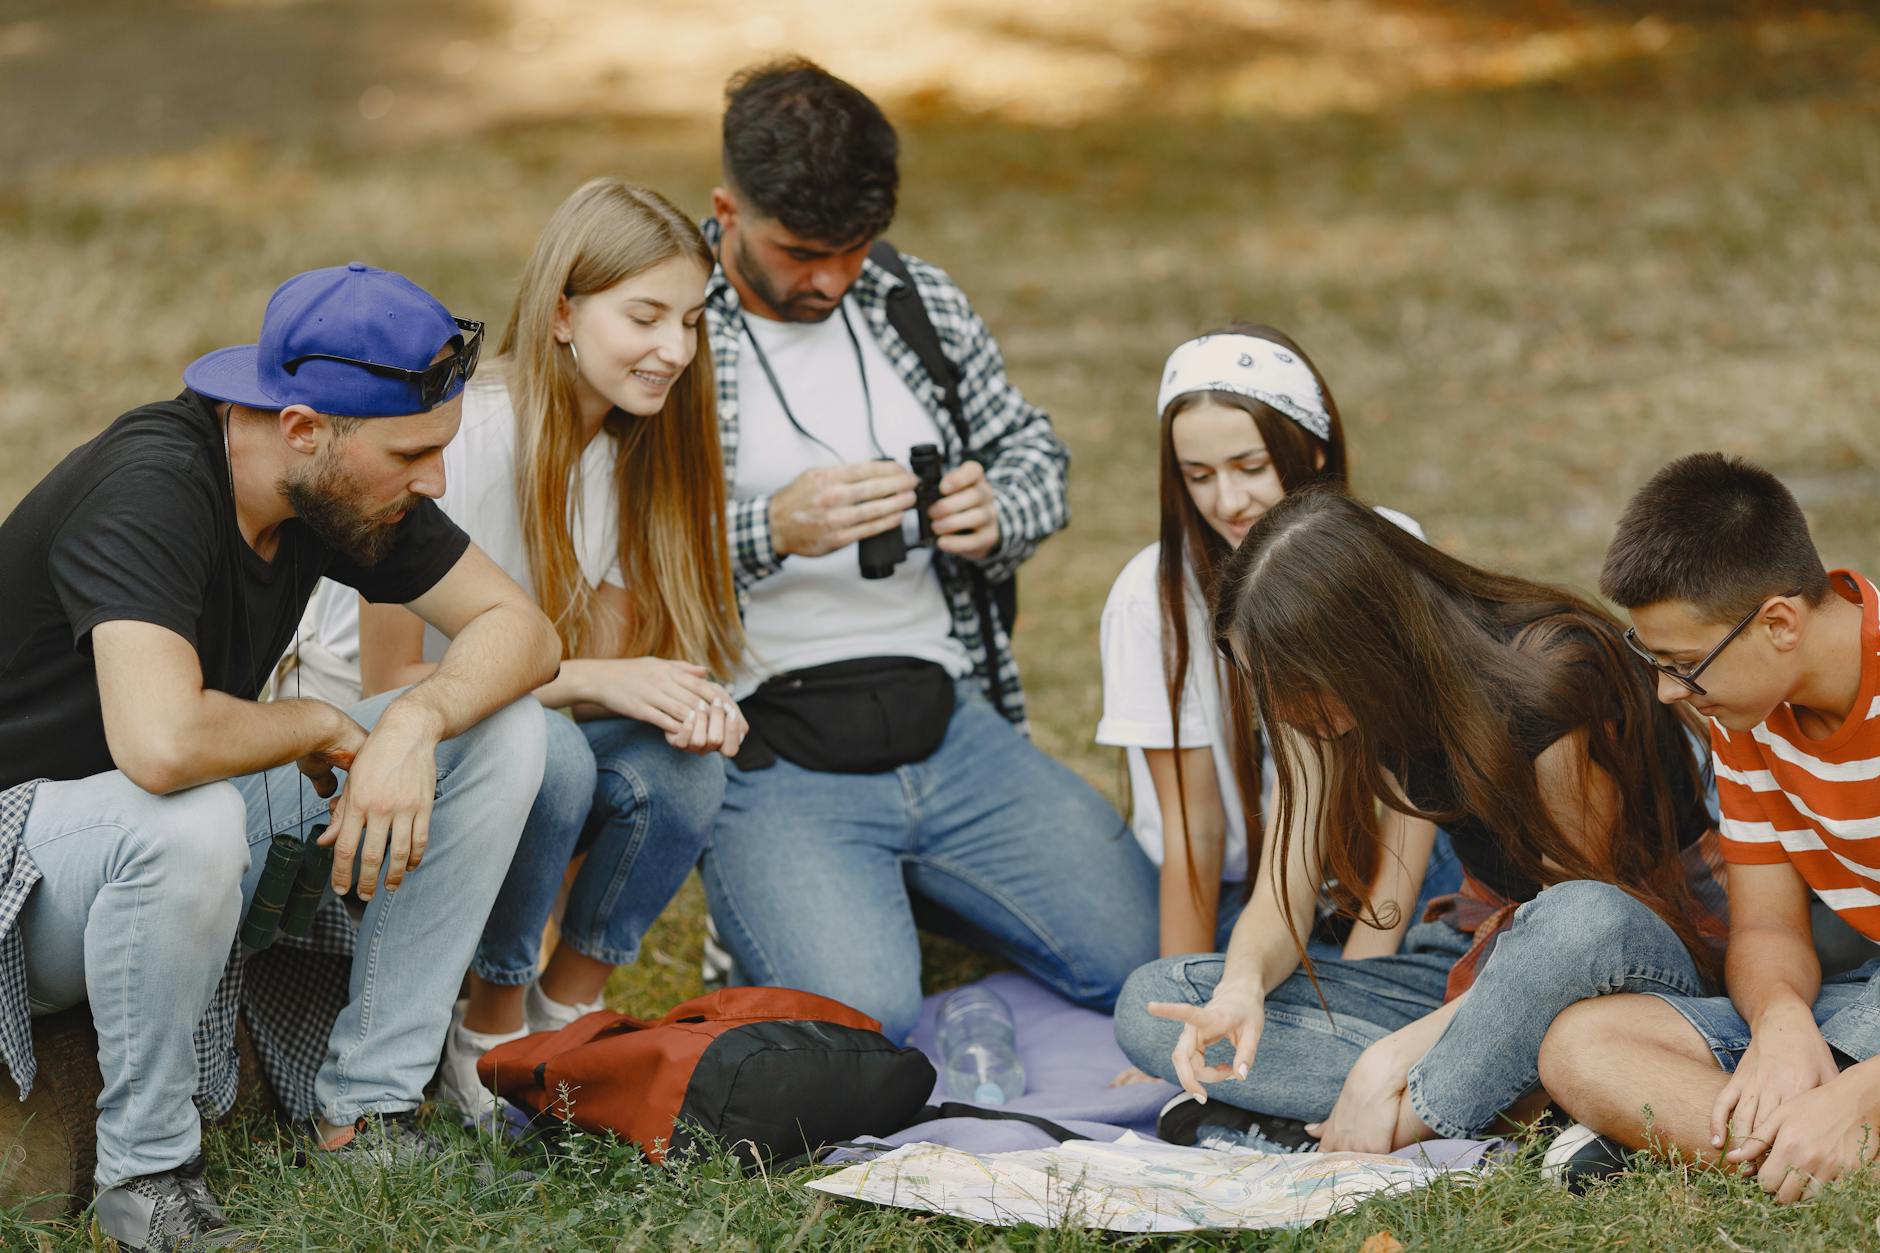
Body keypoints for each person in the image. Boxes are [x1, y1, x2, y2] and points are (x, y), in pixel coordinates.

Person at [0, 263, 562, 1251]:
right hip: (23, 862)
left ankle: (368, 1113)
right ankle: (148, 1175)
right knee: (193, 809)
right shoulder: (152, 486)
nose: (433, 479)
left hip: (149, 831)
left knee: (505, 727)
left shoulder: (331, 487)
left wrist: (412, 721)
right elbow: (164, 742)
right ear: (303, 427)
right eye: (412, 454)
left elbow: (523, 632)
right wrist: (316, 721)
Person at [696, 57, 1157, 1044]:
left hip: (949, 722)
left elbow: (1036, 451)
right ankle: (809, 887)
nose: (828, 278)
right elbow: (597, 550)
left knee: (1140, 953)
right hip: (764, 742)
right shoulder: (666, 325)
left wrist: (998, 511)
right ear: (726, 210)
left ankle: (907, 877)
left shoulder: (915, 299)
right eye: (799, 251)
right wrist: (768, 530)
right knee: (862, 1017)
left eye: (851, 249)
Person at [307, 180, 746, 1119]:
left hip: (499, 726)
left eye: (693, 320)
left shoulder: (624, 456)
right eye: (645, 316)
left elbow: (595, 680)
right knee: (541, 740)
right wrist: (595, 677)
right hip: (367, 734)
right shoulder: (464, 441)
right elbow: (394, 678)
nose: (676, 349)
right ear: (560, 314)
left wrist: (677, 699)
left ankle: (566, 1008)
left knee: (683, 766)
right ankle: (492, 1021)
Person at [1112, 487, 1725, 1155]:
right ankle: (1516, 1104)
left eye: (1292, 682)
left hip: (1636, 967)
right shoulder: (1318, 703)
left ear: (1364, 647)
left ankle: (1393, 1120)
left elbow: (1584, 935)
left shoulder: (1548, 677)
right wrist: (1238, 988)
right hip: (1478, 972)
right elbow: (1283, 887)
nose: (1280, 709)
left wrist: (1394, 1056)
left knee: (1578, 920)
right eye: (1263, 682)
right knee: (1155, 1000)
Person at [1539, 453, 1880, 1201]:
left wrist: (1862, 1094)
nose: (1667, 692)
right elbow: (1765, 929)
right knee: (1580, 1047)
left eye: (1685, 664)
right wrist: (1782, 1021)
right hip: (1858, 994)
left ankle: (1821, 1126)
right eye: (1656, 661)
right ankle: (1813, 1138)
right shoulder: (1746, 712)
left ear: (1779, 622)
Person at [1096, 324, 1457, 958]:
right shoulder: (1150, 597)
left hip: (1390, 869)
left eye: (1251, 467)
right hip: (1247, 892)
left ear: (1311, 450)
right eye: (1198, 475)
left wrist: (1367, 963)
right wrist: (1183, 989)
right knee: (1153, 1002)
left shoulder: (1393, 547)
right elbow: (1195, 834)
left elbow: (1415, 795)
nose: (1228, 500)